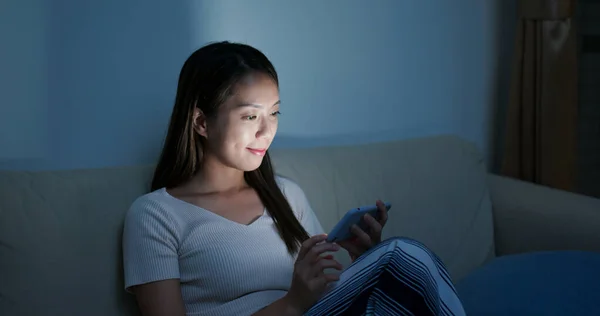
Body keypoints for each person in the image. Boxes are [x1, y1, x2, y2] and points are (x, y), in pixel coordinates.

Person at [122, 41, 466, 316]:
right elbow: (302, 300)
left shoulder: (286, 195)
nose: (266, 130)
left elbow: (328, 294)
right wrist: (292, 303)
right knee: (403, 254)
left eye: (274, 113)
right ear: (201, 122)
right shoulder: (155, 215)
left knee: (396, 275)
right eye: (250, 116)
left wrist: (360, 261)